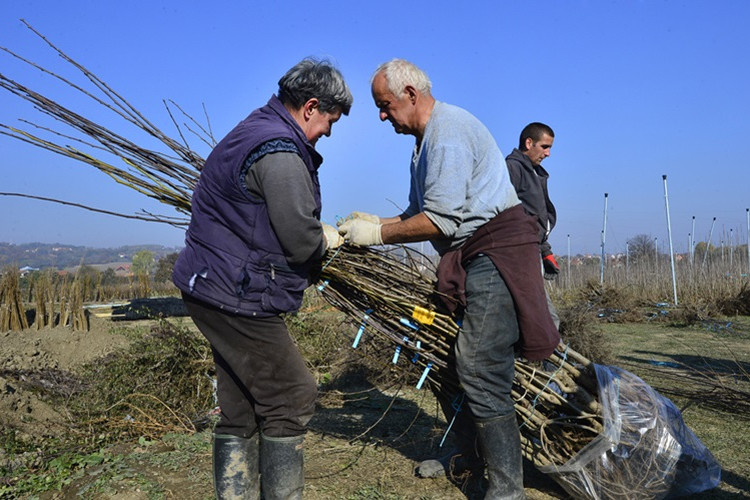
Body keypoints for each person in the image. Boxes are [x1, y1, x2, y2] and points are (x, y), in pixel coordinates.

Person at [338, 59, 559, 499]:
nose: (383, 116)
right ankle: (470, 459)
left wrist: (379, 234)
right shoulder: (422, 145)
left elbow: (439, 220)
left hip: (496, 252)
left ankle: (506, 489)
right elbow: (416, 214)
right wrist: (373, 222)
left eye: (385, 106)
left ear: (411, 96)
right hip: (473, 254)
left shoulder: (449, 132)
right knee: (452, 364)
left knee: (478, 364)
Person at [172, 58, 352, 499]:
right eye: (329, 120)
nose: (328, 131)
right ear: (311, 107)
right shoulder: (281, 154)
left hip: (209, 285)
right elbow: (299, 240)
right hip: (238, 294)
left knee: (242, 406)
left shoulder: (253, 129)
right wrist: (324, 240)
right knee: (292, 395)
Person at [505, 122, 560, 327]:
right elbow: (506, 214)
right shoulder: (512, 168)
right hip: (519, 253)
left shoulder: (535, 173)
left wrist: (545, 250)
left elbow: (536, 217)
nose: (548, 154)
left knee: (539, 316)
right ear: (529, 143)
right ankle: (548, 356)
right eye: (545, 147)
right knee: (547, 318)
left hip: (532, 249)